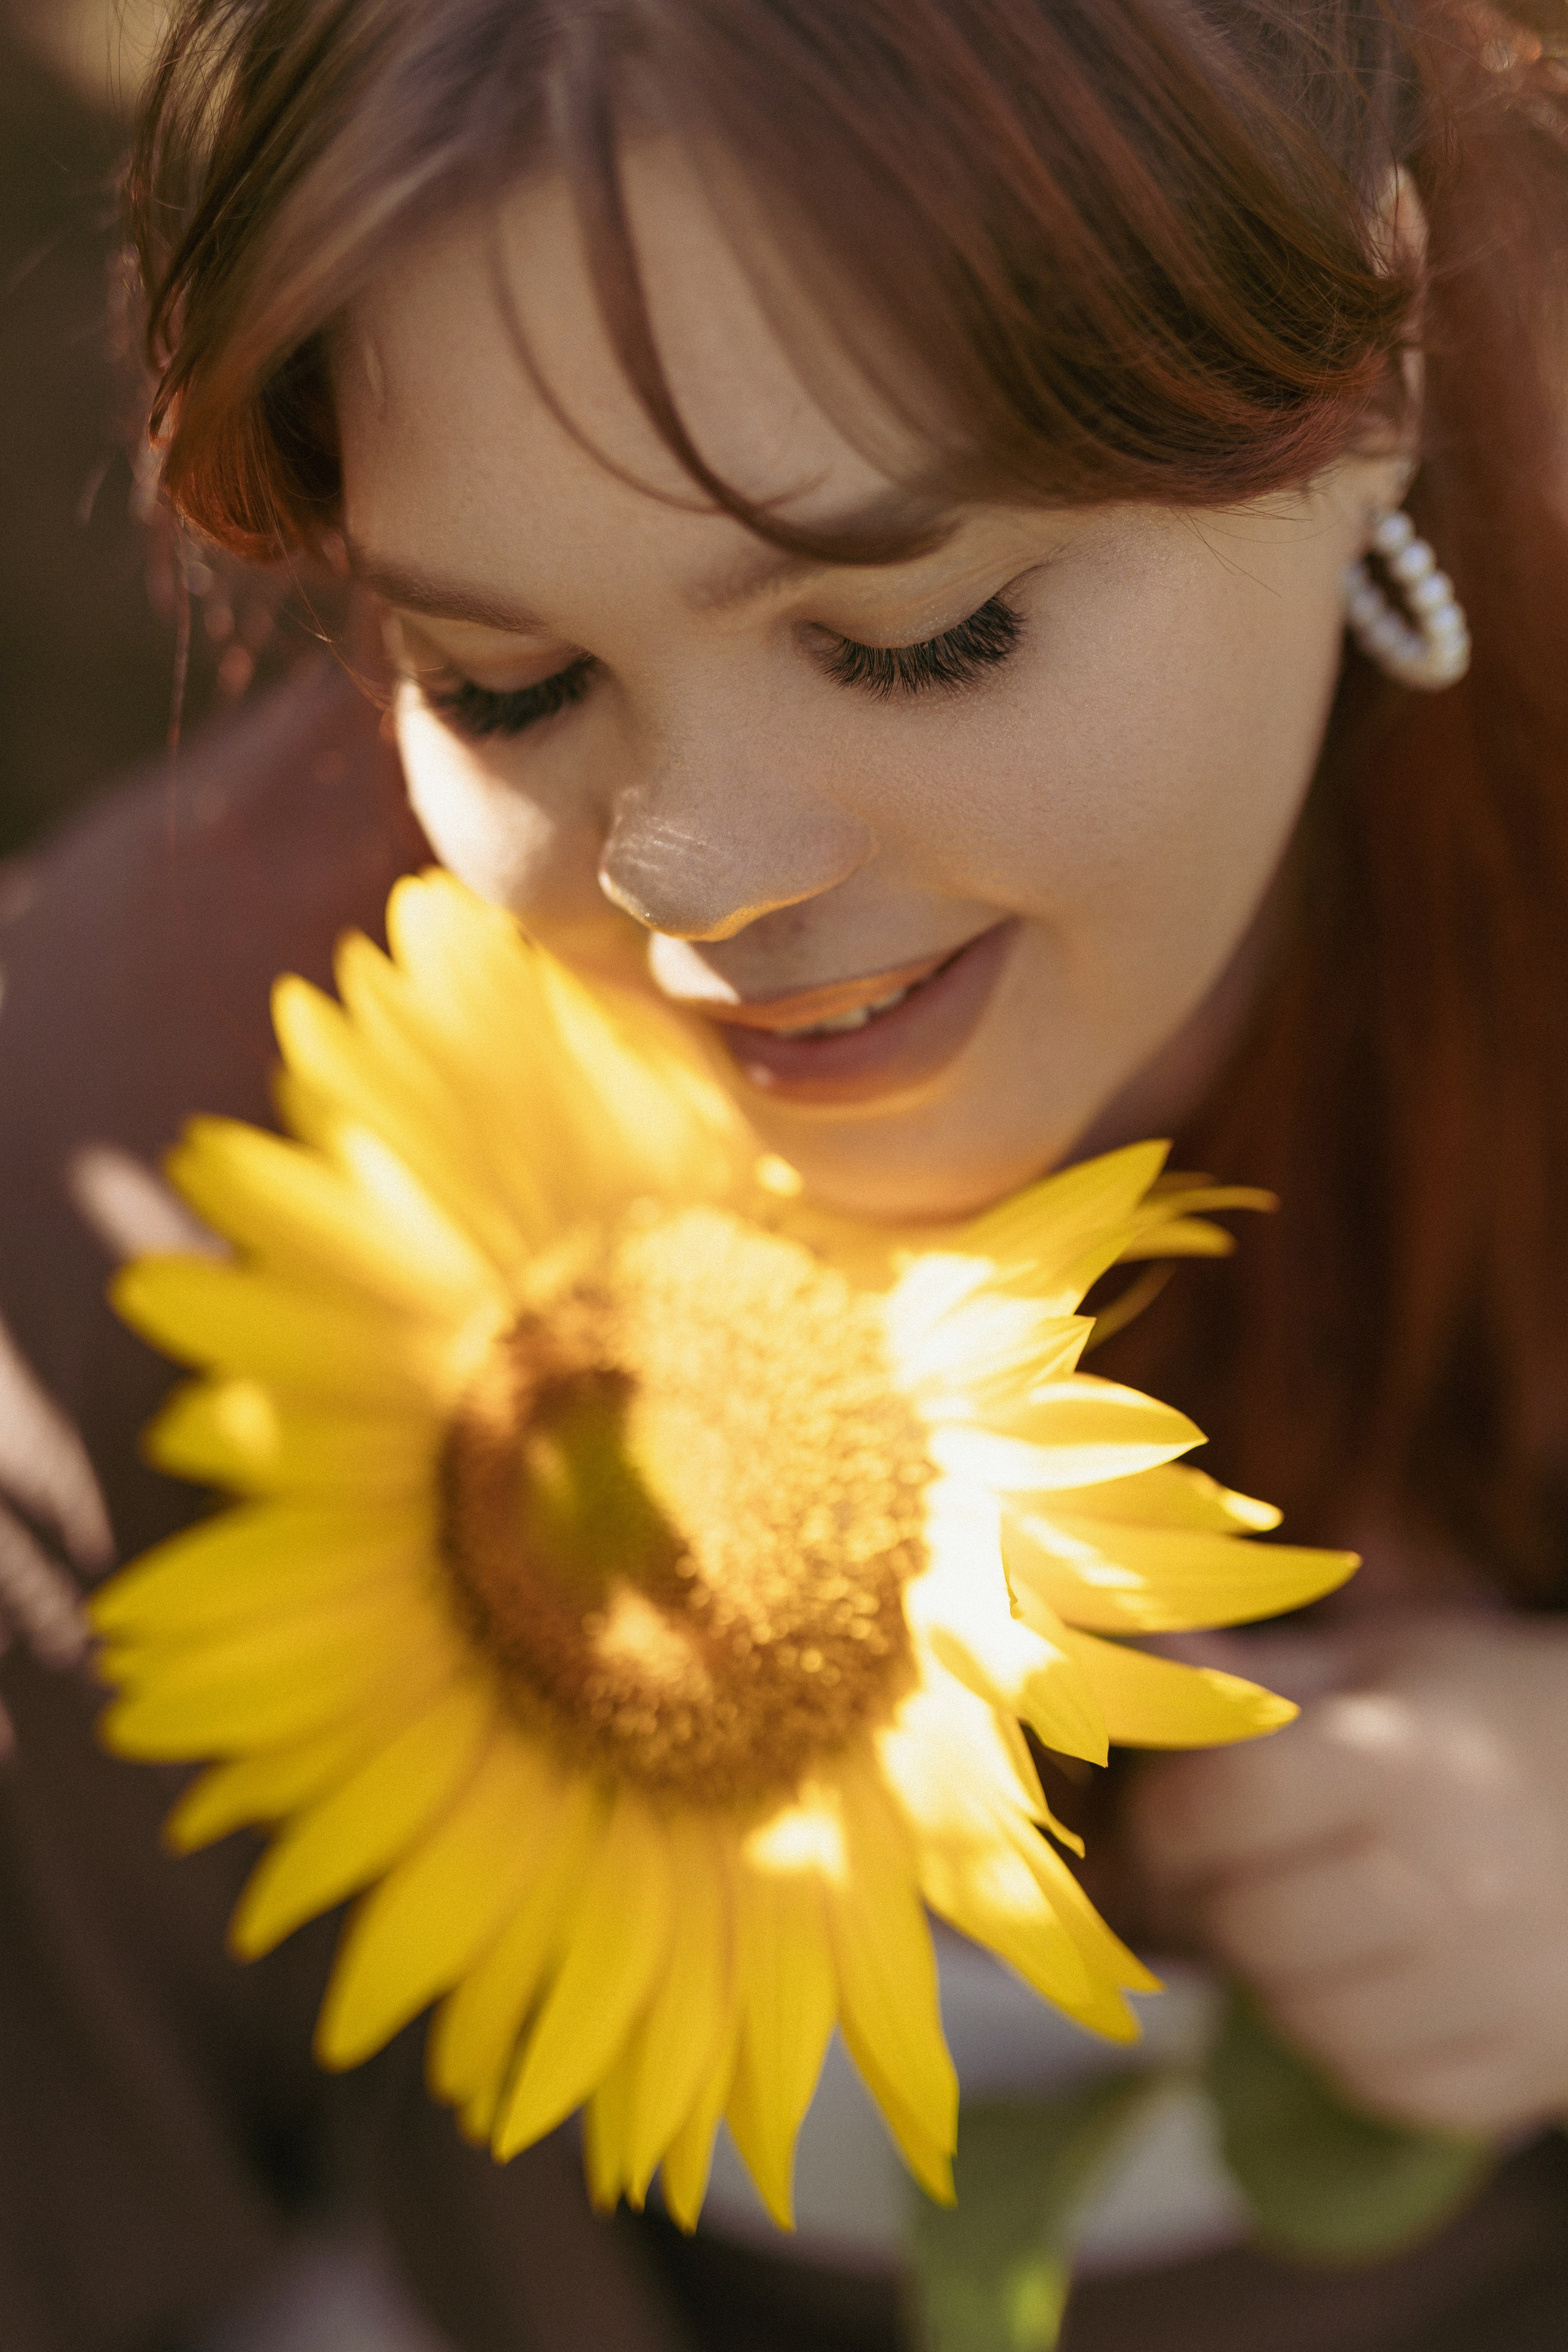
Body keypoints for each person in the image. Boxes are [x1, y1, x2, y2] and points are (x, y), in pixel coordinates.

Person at [5, 0, 1568, 2345]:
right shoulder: (126, 1172)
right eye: (500, 679)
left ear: (1376, 385)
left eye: (920, 637)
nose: (693, 872)